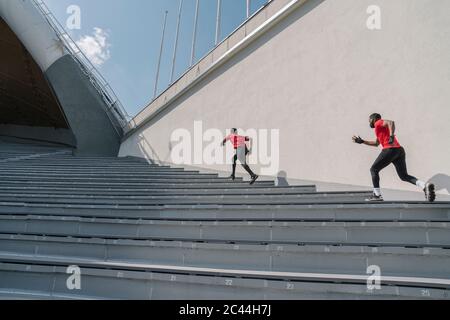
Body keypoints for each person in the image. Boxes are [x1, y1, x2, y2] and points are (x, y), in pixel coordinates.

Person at [352, 113, 436, 202]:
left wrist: (391, 136)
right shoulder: (380, 129)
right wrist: (362, 141)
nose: (369, 122)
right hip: (399, 150)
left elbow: (391, 122)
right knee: (403, 176)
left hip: (390, 150)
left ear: (373, 119)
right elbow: (376, 144)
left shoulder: (378, 123)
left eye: (369, 119)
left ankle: (377, 195)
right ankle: (424, 186)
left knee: (374, 170)